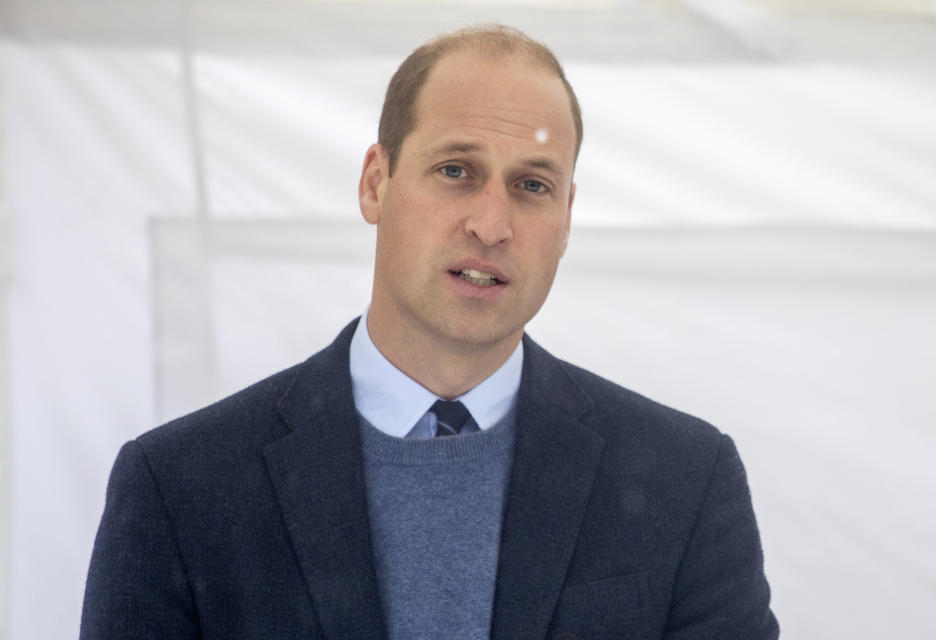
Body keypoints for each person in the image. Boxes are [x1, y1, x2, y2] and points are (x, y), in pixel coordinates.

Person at [80, 25, 778, 640]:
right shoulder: (180, 489)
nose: (491, 224)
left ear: (566, 217)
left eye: (532, 186)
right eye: (455, 171)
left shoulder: (685, 484)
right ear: (375, 184)